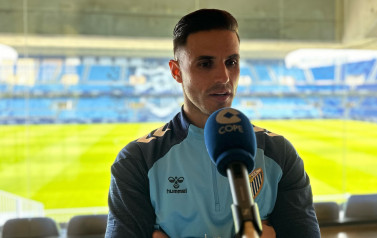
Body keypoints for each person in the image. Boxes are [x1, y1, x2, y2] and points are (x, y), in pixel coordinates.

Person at [105, 9, 320, 238]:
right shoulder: (138, 160)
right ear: (177, 71)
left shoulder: (279, 153)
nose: (224, 77)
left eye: (231, 62)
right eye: (206, 64)